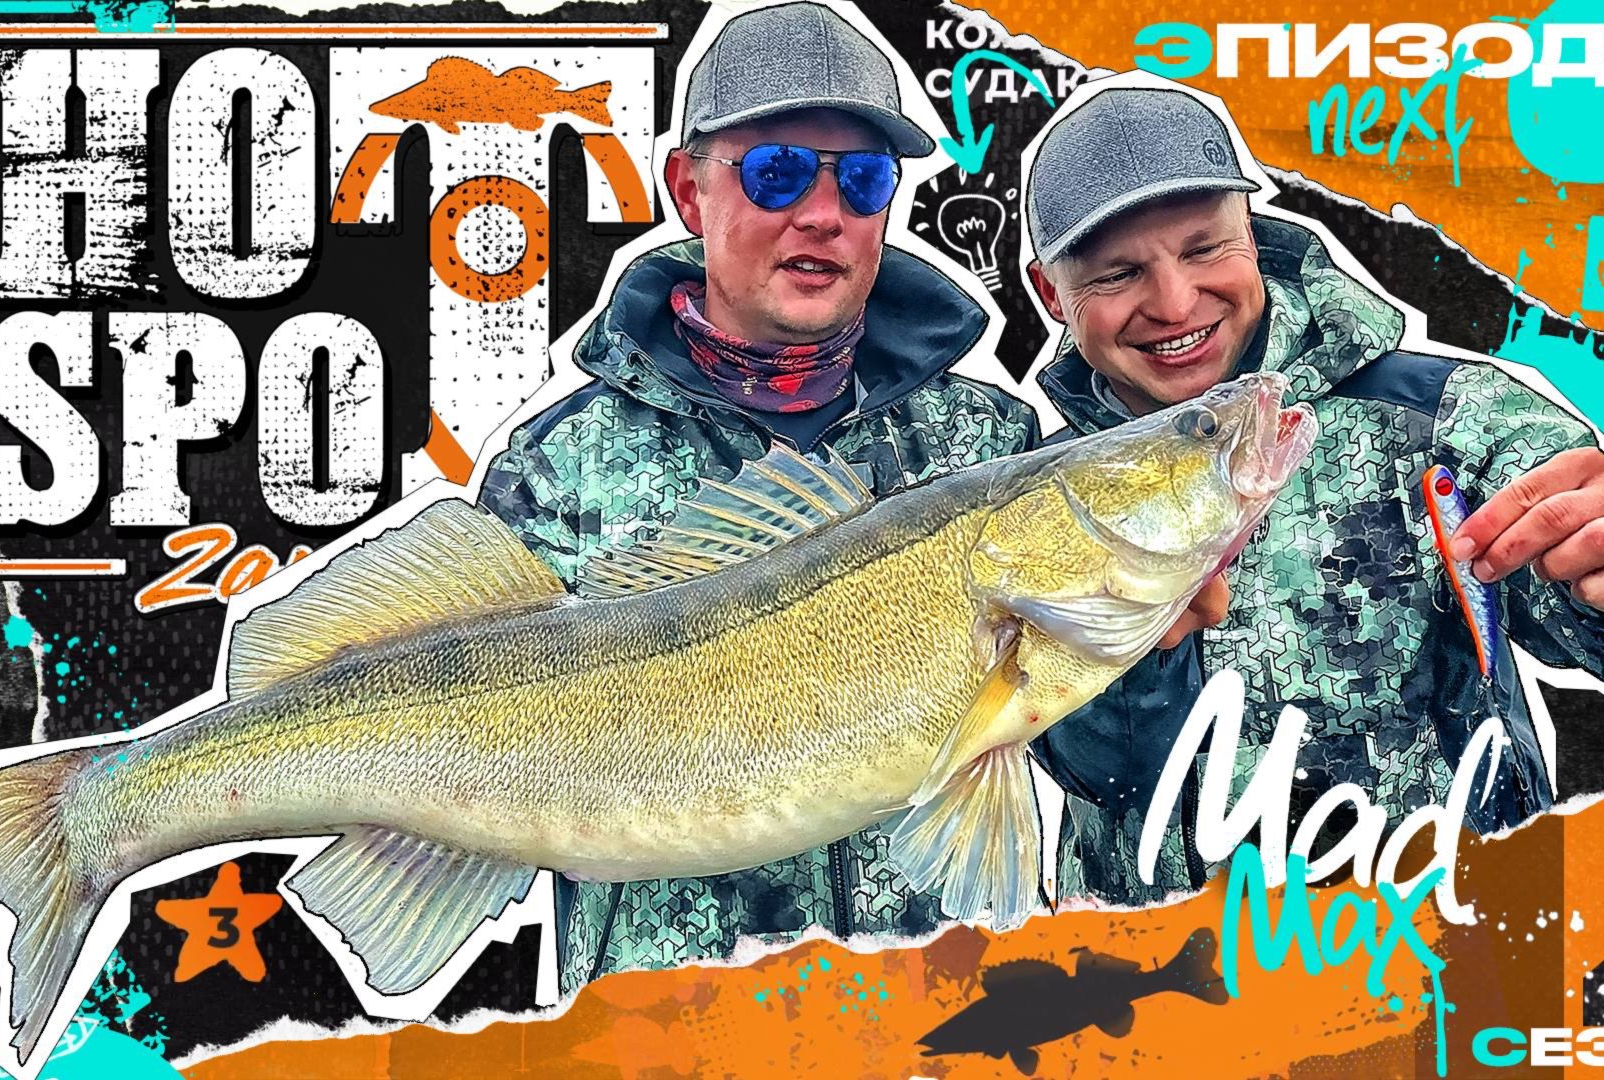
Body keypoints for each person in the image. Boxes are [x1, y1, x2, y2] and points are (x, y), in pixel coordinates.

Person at [477, 4, 1222, 993]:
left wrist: (1152, 659)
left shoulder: (988, 446)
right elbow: (476, 761)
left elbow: (1110, 777)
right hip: (667, 1033)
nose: (823, 212)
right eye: (778, 171)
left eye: (863, 179)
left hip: (945, 1023)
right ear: (688, 191)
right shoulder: (559, 468)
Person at [1018, 85, 1604, 905]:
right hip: (1138, 974)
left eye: (1205, 248)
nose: (1176, 302)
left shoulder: (1442, 424)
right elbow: (1085, 769)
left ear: (1251, 233)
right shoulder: (1027, 504)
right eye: (1119, 273)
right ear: (1049, 293)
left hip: (1436, 954)